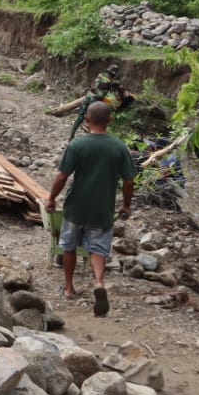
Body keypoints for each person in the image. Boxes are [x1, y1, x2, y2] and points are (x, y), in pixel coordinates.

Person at [46, 101, 136, 316]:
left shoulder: (78, 145)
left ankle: (68, 287)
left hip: (76, 206)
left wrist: (51, 199)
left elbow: (62, 176)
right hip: (102, 208)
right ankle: (99, 282)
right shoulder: (118, 147)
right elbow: (129, 180)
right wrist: (126, 205)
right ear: (110, 120)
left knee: (68, 246)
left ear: (86, 119)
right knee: (97, 248)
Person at [70, 64, 133, 141]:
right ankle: (92, 138)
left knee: (80, 117)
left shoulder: (100, 75)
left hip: (88, 96)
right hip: (95, 101)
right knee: (94, 120)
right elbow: (117, 91)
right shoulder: (112, 82)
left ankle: (71, 135)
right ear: (113, 73)